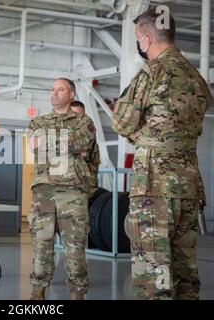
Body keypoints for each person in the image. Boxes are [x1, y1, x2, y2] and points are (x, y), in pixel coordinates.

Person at [111, 8, 212, 299]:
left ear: (145, 37)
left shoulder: (153, 72)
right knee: (184, 272)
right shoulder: (196, 78)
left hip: (154, 189)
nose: (138, 45)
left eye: (137, 39)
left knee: (154, 274)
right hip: (189, 188)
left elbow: (120, 121)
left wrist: (144, 138)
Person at [27, 78, 97, 300]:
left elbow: (81, 143)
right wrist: (64, 141)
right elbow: (32, 144)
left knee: (74, 246)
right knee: (41, 244)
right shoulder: (38, 121)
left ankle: (77, 293)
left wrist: (49, 140)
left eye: (60, 89)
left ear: (72, 94)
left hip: (72, 192)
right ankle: (38, 291)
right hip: (43, 192)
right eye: (52, 89)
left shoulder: (84, 122)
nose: (54, 93)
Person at [70, 100, 100, 196]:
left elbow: (84, 154)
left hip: (84, 184)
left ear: (85, 115)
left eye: (80, 115)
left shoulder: (88, 132)